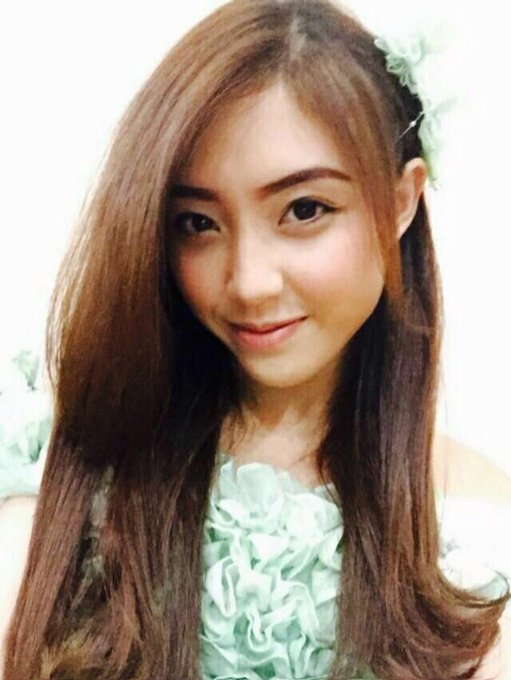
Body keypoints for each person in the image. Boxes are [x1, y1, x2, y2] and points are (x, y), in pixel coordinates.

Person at [1, 0, 510, 678]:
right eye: (197, 223)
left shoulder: (473, 534)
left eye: (304, 210)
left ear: (400, 202)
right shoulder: (64, 465)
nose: (248, 282)